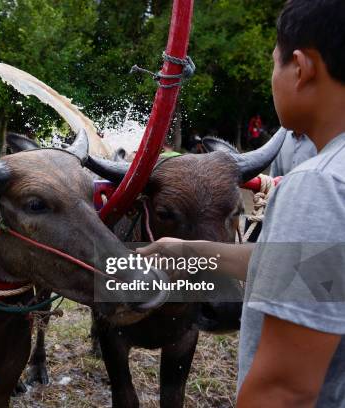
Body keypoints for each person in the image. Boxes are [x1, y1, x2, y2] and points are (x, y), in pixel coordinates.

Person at [138, 1, 345, 406]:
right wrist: (188, 251)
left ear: (300, 68)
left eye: (274, 64)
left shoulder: (318, 185)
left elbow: (285, 390)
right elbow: (319, 269)